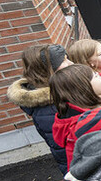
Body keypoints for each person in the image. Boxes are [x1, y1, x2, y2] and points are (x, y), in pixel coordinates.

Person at [50, 64, 101, 169]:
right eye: (95, 76)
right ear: (84, 87)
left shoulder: (74, 115)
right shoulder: (91, 121)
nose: (100, 76)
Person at [7, 44, 72, 173]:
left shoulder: (61, 94)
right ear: (46, 70)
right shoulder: (49, 110)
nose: (71, 63)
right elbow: (65, 149)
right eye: (63, 60)